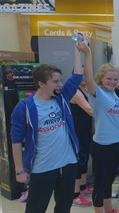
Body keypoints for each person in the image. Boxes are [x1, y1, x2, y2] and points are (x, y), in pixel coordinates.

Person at [10, 43, 86, 213]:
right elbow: (15, 140)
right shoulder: (25, 108)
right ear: (41, 84)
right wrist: (19, 170)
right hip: (42, 167)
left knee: (64, 207)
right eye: (55, 81)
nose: (60, 84)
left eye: (60, 80)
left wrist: (77, 48)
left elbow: (77, 76)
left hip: (68, 164)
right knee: (36, 209)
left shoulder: (61, 98)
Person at [80, 40, 119, 213]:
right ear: (101, 78)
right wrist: (87, 53)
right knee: (100, 183)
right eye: (109, 79)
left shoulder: (115, 94)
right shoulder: (97, 93)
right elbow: (88, 78)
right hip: (102, 146)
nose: (112, 82)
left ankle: (109, 209)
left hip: (117, 144)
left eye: (115, 79)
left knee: (109, 180)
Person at [70, 69, 94, 206]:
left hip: (86, 131)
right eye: (83, 74)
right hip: (78, 132)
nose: (87, 76)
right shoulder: (75, 91)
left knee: (84, 158)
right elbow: (90, 110)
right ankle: (75, 195)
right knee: (79, 160)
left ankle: (83, 188)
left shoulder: (84, 90)